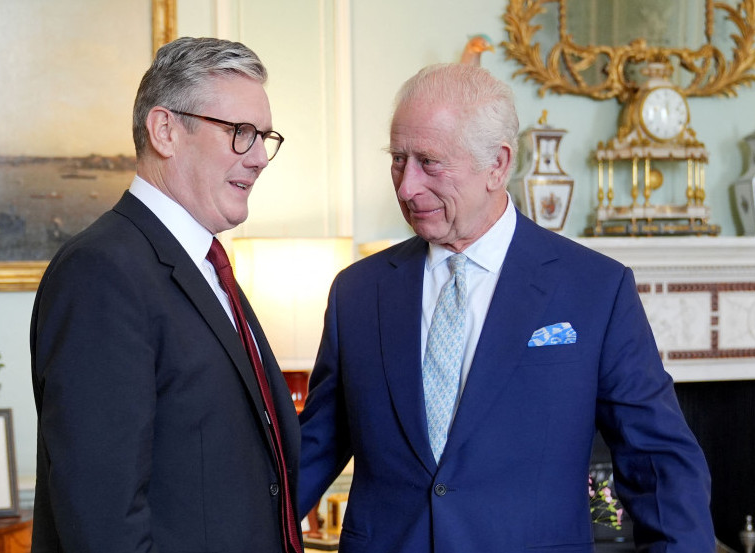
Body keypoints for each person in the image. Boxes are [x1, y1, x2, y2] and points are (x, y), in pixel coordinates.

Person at [297, 63, 715, 552]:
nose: (407, 186)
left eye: (429, 162)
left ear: (498, 164)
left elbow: (660, 465)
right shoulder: (357, 292)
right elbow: (312, 453)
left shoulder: (595, 289)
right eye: (398, 160)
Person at [30, 37, 302, 553]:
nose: (261, 157)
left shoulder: (203, 266)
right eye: (241, 134)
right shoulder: (102, 272)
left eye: (265, 136)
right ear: (165, 131)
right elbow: (102, 523)